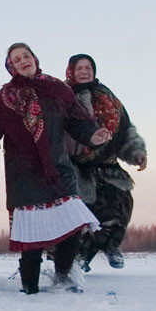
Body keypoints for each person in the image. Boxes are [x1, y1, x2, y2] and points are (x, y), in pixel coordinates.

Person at [0, 43, 111, 294]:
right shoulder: (5, 98)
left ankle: (62, 277)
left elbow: (79, 122)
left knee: (73, 225)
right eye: (16, 59)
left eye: (26, 55)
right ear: (11, 67)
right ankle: (30, 290)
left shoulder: (58, 89)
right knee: (32, 239)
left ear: (35, 58)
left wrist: (94, 135)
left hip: (58, 170)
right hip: (23, 176)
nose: (23, 60)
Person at [64, 54, 147, 271]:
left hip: (107, 165)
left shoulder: (107, 97)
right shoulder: (63, 97)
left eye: (88, 67)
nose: (84, 71)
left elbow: (125, 127)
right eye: (79, 68)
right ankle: (77, 259)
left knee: (119, 210)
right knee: (81, 220)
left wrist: (136, 151)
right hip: (75, 168)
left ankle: (111, 247)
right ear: (71, 71)